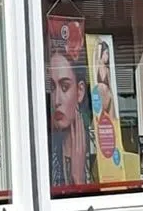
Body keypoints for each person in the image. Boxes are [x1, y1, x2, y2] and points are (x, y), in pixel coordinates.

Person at [48, 48, 92, 187]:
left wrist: (78, 179)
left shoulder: (96, 148)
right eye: (52, 88)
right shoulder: (47, 148)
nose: (56, 100)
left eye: (65, 87)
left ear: (80, 91)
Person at [93, 40, 116, 123]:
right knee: (99, 120)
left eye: (108, 54)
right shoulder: (97, 65)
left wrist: (112, 98)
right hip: (101, 97)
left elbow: (110, 86)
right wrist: (97, 44)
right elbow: (95, 56)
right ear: (102, 53)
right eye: (106, 53)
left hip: (108, 97)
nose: (107, 56)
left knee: (112, 120)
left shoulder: (107, 70)